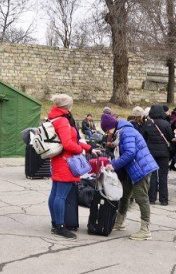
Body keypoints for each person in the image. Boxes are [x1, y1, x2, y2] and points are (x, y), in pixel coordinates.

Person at [101, 112, 158, 241]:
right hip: (132, 169)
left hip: (141, 169)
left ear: (111, 126)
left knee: (141, 197)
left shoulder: (126, 132)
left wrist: (114, 165)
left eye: (107, 131)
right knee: (125, 195)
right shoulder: (121, 132)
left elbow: (130, 153)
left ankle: (145, 229)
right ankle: (119, 223)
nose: (107, 134)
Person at [47, 94, 95, 239]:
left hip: (58, 160)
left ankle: (56, 223)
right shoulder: (62, 121)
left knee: (55, 193)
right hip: (66, 162)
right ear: (68, 106)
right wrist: (80, 150)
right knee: (60, 195)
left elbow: (70, 140)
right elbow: (68, 144)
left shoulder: (54, 117)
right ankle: (60, 226)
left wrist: (89, 148)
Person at [141, 105, 174, 206]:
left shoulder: (147, 124)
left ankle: (151, 198)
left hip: (151, 153)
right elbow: (170, 137)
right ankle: (164, 199)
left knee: (153, 176)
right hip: (164, 153)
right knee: (163, 176)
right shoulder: (166, 124)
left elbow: (143, 138)